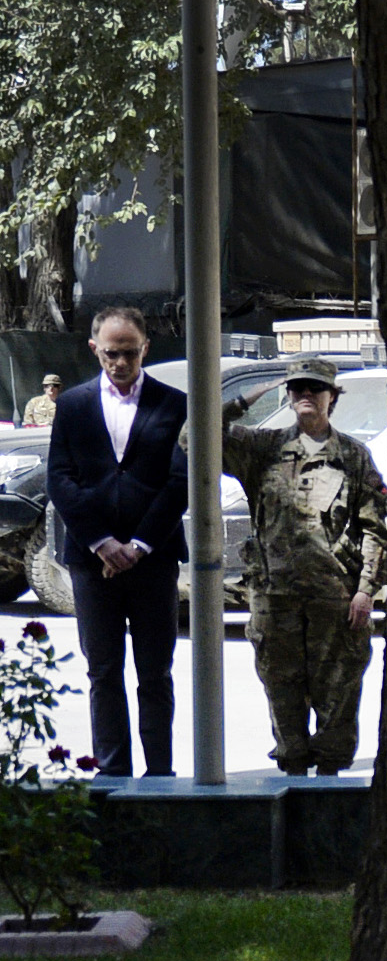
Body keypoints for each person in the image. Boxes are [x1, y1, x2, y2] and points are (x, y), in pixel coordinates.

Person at [220, 356, 387, 776]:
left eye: (315, 388)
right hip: (276, 599)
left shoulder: (352, 455)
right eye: (297, 388)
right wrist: (247, 397)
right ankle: (293, 780)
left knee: (339, 700)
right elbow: (194, 436)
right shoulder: (264, 448)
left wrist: (367, 589)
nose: (306, 395)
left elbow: (374, 529)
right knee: (282, 695)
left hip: (336, 600)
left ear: (333, 397)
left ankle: (329, 789)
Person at [47, 307, 188, 776]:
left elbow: (180, 480)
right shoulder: (72, 405)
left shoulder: (174, 404)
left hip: (154, 559)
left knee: (155, 674)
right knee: (103, 672)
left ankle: (161, 773)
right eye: (111, 353)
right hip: (93, 564)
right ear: (94, 350)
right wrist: (103, 543)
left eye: (129, 353)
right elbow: (60, 480)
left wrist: (141, 545)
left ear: (145, 348)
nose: (120, 362)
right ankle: (112, 774)